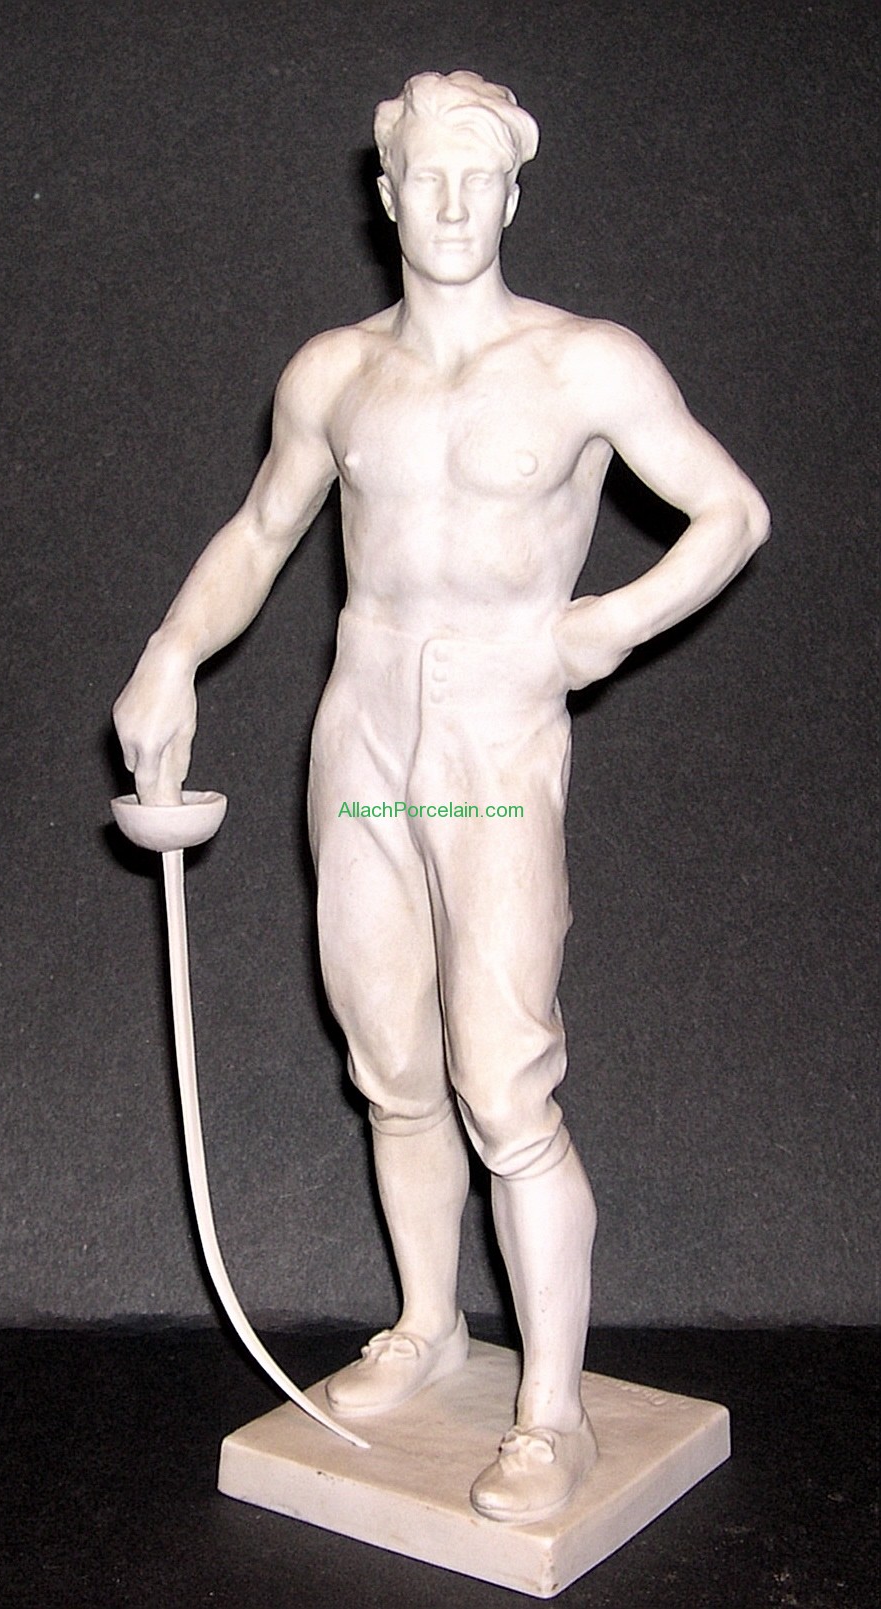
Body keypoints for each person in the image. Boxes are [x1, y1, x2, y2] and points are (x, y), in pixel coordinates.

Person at [113, 70, 769, 1523]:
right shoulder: (333, 374)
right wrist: (171, 652)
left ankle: (552, 1411)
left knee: (503, 1080)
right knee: (390, 1058)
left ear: (514, 196)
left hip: (492, 747)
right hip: (359, 742)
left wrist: (605, 626)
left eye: (481, 176)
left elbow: (731, 511)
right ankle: (428, 1324)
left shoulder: (584, 363)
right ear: (387, 196)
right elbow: (261, 530)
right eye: (428, 175)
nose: (455, 201)